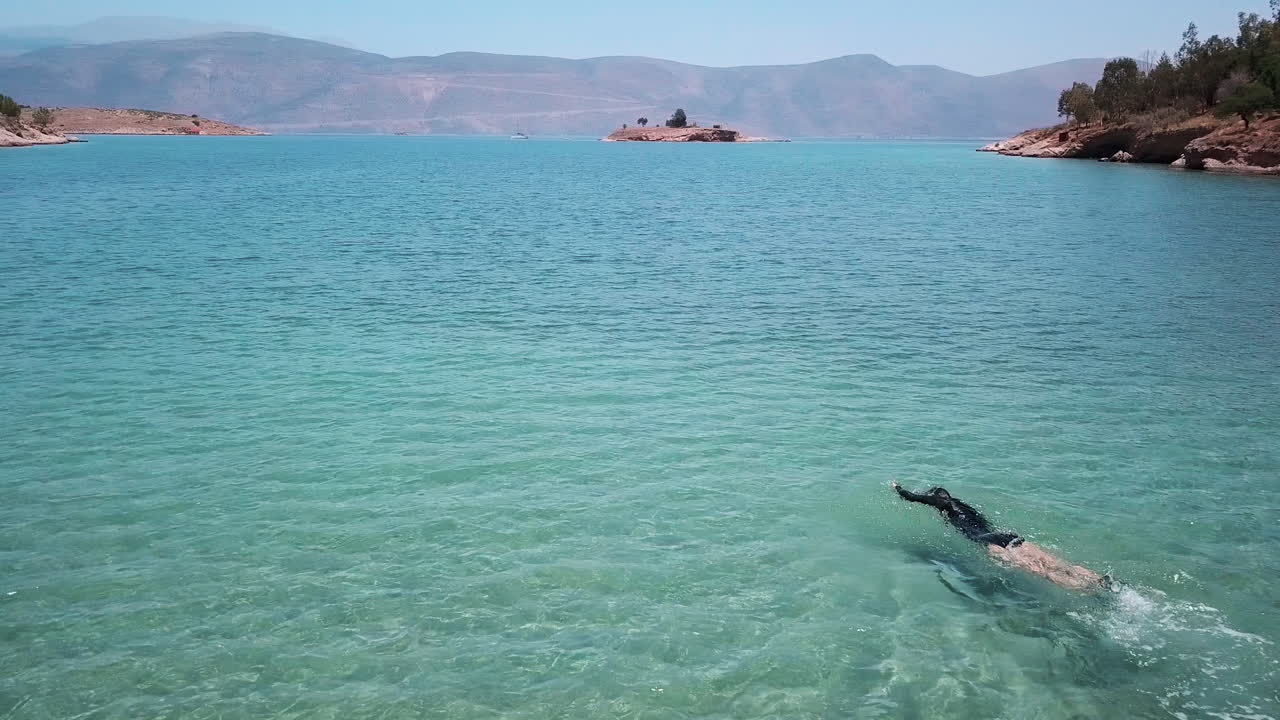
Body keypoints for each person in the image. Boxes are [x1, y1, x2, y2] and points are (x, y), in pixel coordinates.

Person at [891, 481, 1109, 591]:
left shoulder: (943, 503)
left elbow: (912, 497)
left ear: (937, 498)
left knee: (1040, 571)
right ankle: (1096, 579)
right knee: (1051, 561)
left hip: (989, 542)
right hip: (1004, 535)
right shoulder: (961, 504)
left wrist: (897, 488)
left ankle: (1083, 589)